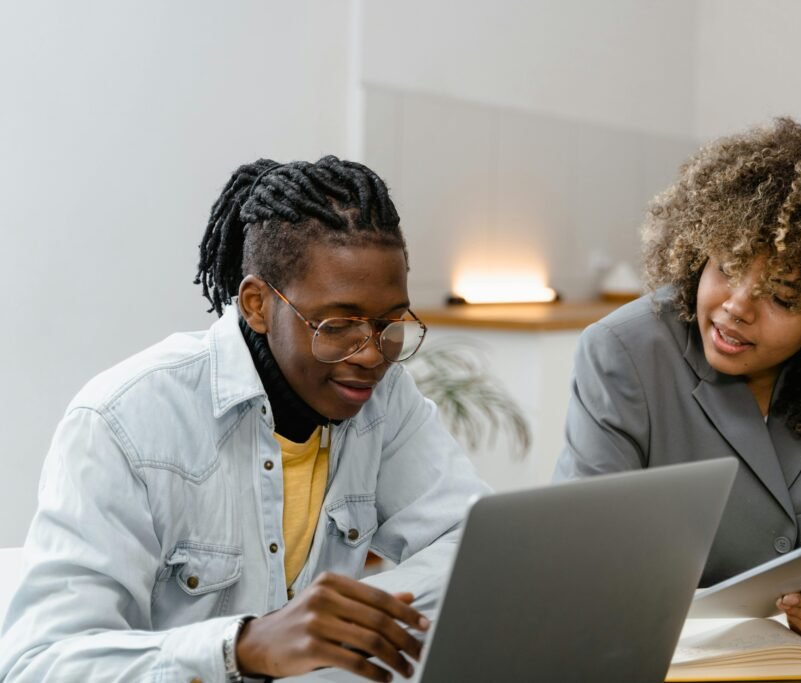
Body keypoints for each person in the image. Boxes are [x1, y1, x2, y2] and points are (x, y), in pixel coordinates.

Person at [0, 157, 490, 682]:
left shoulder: (383, 398)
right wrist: (243, 647)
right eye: (338, 323)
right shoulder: (125, 422)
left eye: (390, 323)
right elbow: (39, 664)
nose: (371, 354)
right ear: (257, 304)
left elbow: (473, 546)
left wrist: (345, 621)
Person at [554, 119, 801, 649]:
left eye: (782, 297)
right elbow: (583, 542)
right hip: (662, 649)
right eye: (726, 267)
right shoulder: (625, 352)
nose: (735, 308)